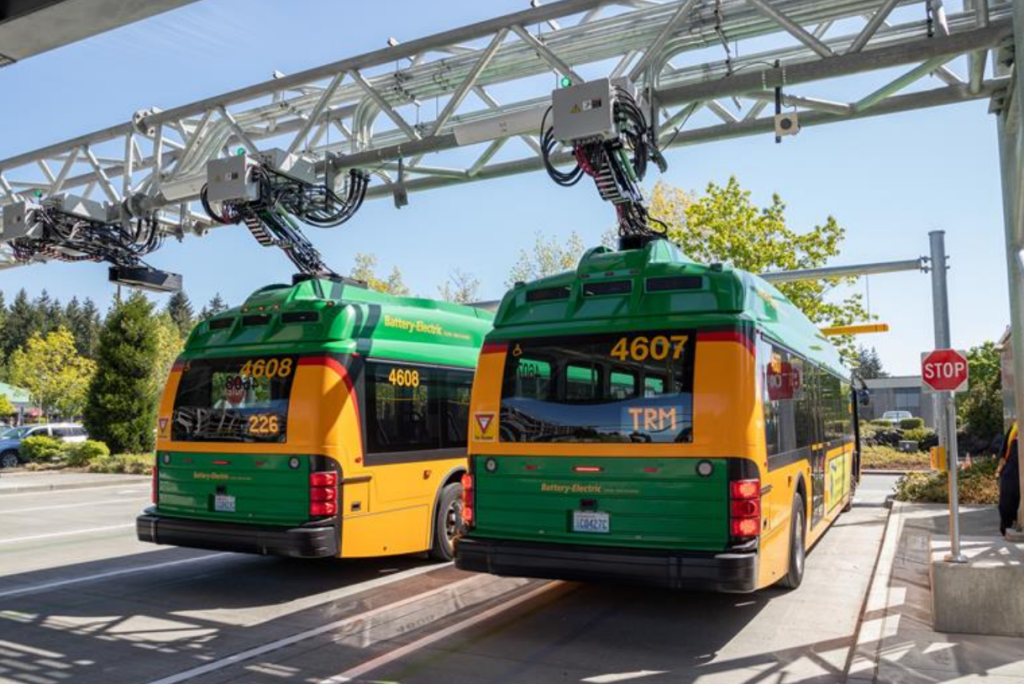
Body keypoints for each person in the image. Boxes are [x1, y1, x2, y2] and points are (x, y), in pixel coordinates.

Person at [997, 422, 1020, 537]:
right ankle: (1006, 527)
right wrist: (1001, 469)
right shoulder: (1015, 427)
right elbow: (1003, 452)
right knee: (1006, 503)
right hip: (1011, 472)